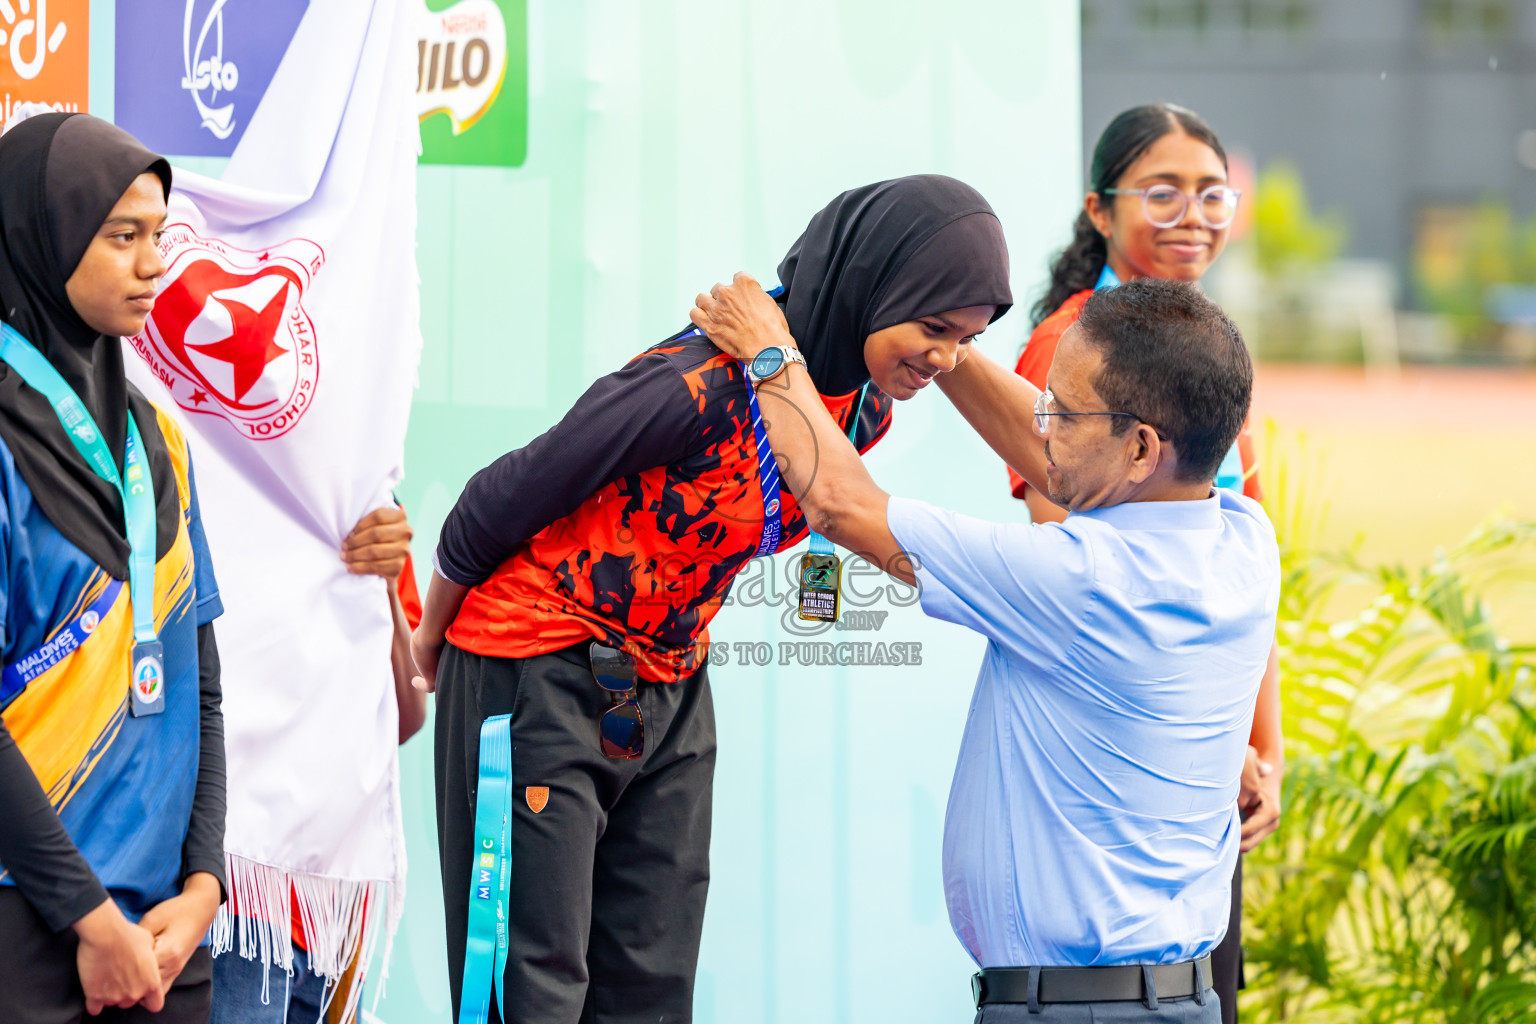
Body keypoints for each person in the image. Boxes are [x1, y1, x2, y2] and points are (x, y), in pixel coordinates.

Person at [411, 175, 1013, 1023]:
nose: (946, 357)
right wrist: (432, 637)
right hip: (532, 664)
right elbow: (497, 498)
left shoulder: (861, 405)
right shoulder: (690, 387)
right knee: (532, 988)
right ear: (874, 287)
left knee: (651, 990)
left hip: (669, 683)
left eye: (968, 338)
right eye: (934, 328)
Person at [690, 272, 1280, 1022]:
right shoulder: (1242, 541)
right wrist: (947, 349)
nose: (1044, 428)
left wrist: (771, 356)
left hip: (1073, 1012)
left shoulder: (1081, 584)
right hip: (1181, 1000)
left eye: (1064, 412)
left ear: (1140, 448)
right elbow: (1065, 471)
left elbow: (842, 506)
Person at [1015, 103, 1282, 1021]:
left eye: (1212, 193)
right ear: (1100, 211)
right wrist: (1213, 741)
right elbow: (1083, 564)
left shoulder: (1203, 347)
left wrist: (1263, 751)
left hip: (1205, 750)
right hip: (1139, 743)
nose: (1192, 213)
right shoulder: (1071, 348)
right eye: (1161, 192)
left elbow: (1243, 567)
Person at [0, 113, 225, 1022]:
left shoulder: (156, 438)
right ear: (38, 235)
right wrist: (89, 919)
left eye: (158, 236)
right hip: (30, 927)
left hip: (166, 937)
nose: (151, 265)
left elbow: (200, 689)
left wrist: (205, 885)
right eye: (119, 237)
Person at [209, 506, 424, 1024]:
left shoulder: (371, 504)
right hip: (231, 898)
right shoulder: (212, 472)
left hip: (330, 911)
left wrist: (388, 588)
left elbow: (408, 712)